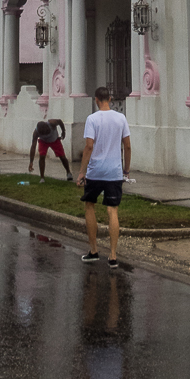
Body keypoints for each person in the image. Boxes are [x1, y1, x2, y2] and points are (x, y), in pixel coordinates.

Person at [76, 87, 131, 269]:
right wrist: (126, 170)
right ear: (110, 98)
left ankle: (93, 251)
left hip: (95, 171)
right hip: (114, 172)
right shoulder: (121, 118)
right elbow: (127, 146)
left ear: (96, 100)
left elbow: (89, 147)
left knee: (89, 206)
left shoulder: (92, 119)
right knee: (112, 211)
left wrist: (82, 172)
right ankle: (113, 255)